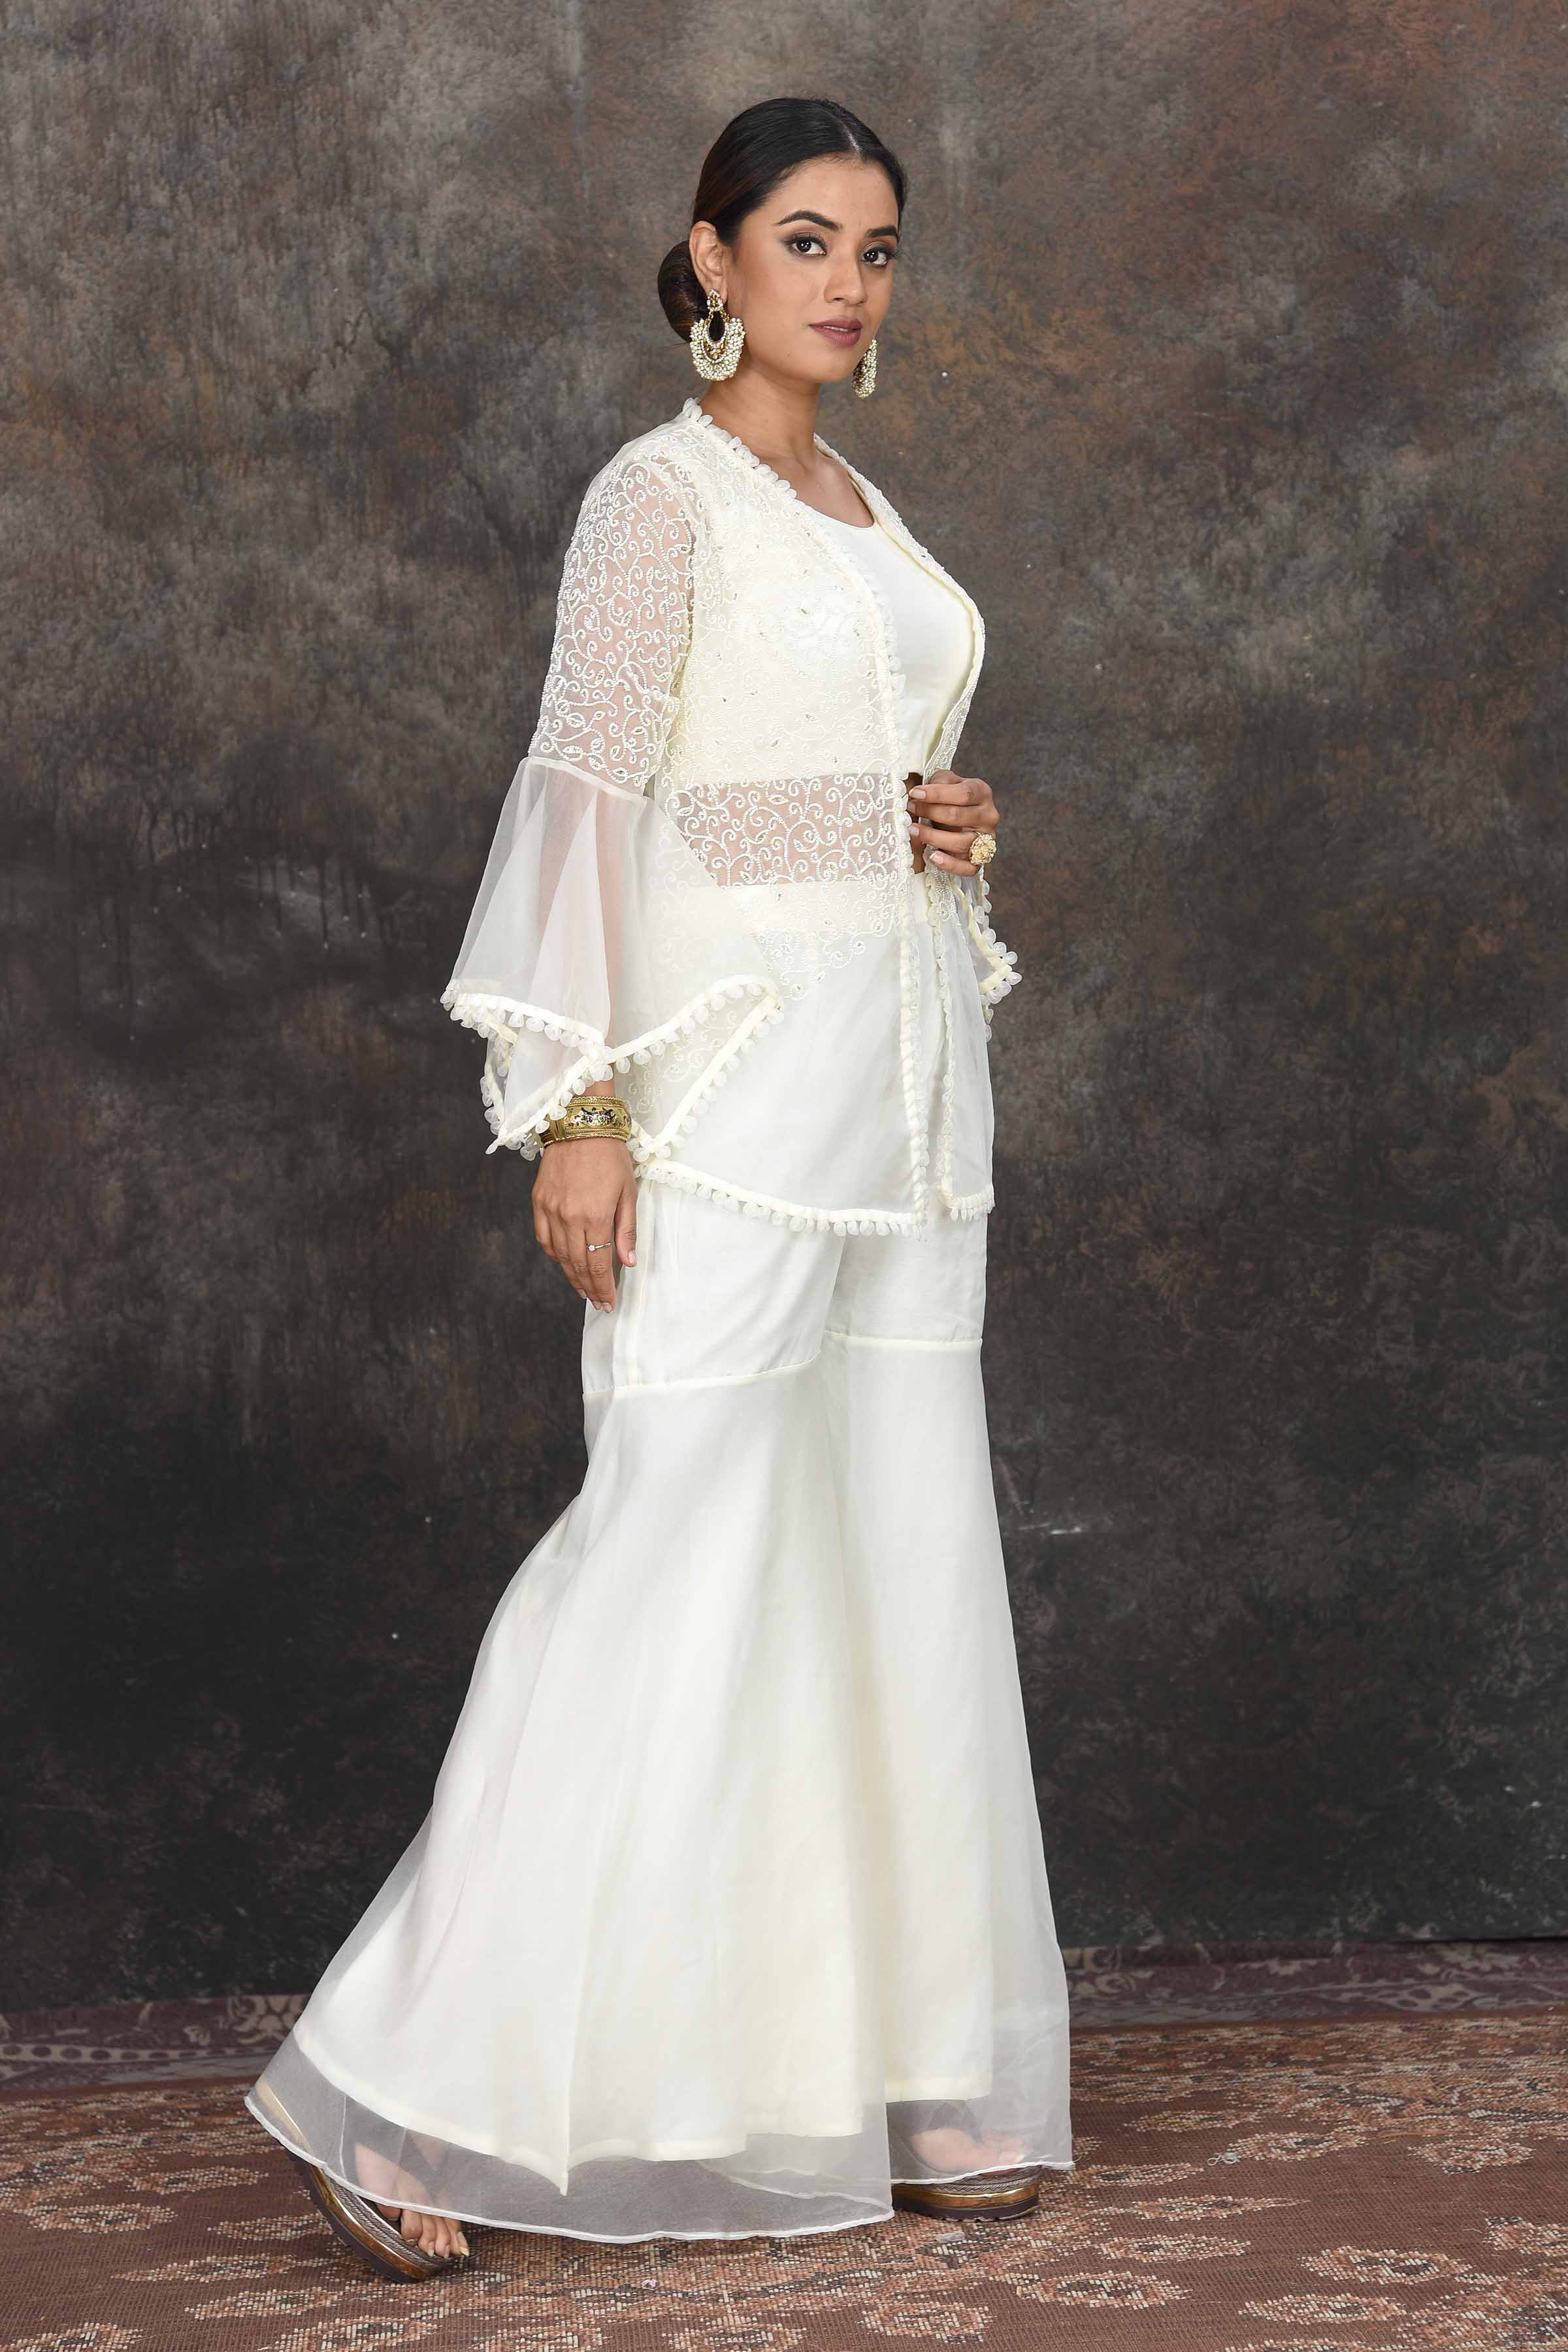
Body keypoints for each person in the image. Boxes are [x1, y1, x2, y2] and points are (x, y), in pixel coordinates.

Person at [245, 93, 1072, 2280]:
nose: (849, 284)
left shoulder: (869, 513)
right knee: (669, 1558)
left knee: (888, 1566)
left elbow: (820, 779)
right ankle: (405, 2092)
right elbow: (596, 797)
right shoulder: (659, 498)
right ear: (712, 259)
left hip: (907, 1112)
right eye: (806, 241)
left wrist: (941, 818)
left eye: (877, 250)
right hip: (727, 1106)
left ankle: (894, 2072)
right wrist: (579, 1106)